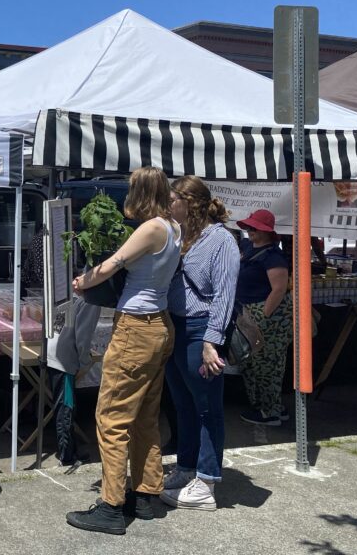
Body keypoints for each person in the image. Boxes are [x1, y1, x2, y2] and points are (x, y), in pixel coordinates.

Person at [66, 166, 180, 536]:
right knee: (145, 415)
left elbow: (113, 264)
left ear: (140, 192)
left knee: (111, 418)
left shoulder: (150, 229)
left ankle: (111, 505)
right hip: (160, 325)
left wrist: (84, 280)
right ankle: (146, 494)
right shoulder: (173, 227)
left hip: (136, 328)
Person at [161, 176, 240, 511]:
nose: (167, 207)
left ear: (188, 203)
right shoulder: (180, 236)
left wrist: (212, 341)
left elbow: (224, 293)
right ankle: (186, 467)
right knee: (183, 404)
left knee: (207, 408)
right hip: (177, 327)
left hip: (200, 328)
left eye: (171, 201)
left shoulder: (222, 241)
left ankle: (207, 481)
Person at [235, 209, 291, 427]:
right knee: (252, 362)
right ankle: (268, 406)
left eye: (254, 228)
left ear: (266, 232)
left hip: (265, 315)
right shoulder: (248, 248)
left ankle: (270, 411)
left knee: (269, 363)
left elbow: (278, 289)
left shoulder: (273, 256)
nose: (249, 231)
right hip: (248, 312)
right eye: (249, 227)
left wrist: (264, 316)